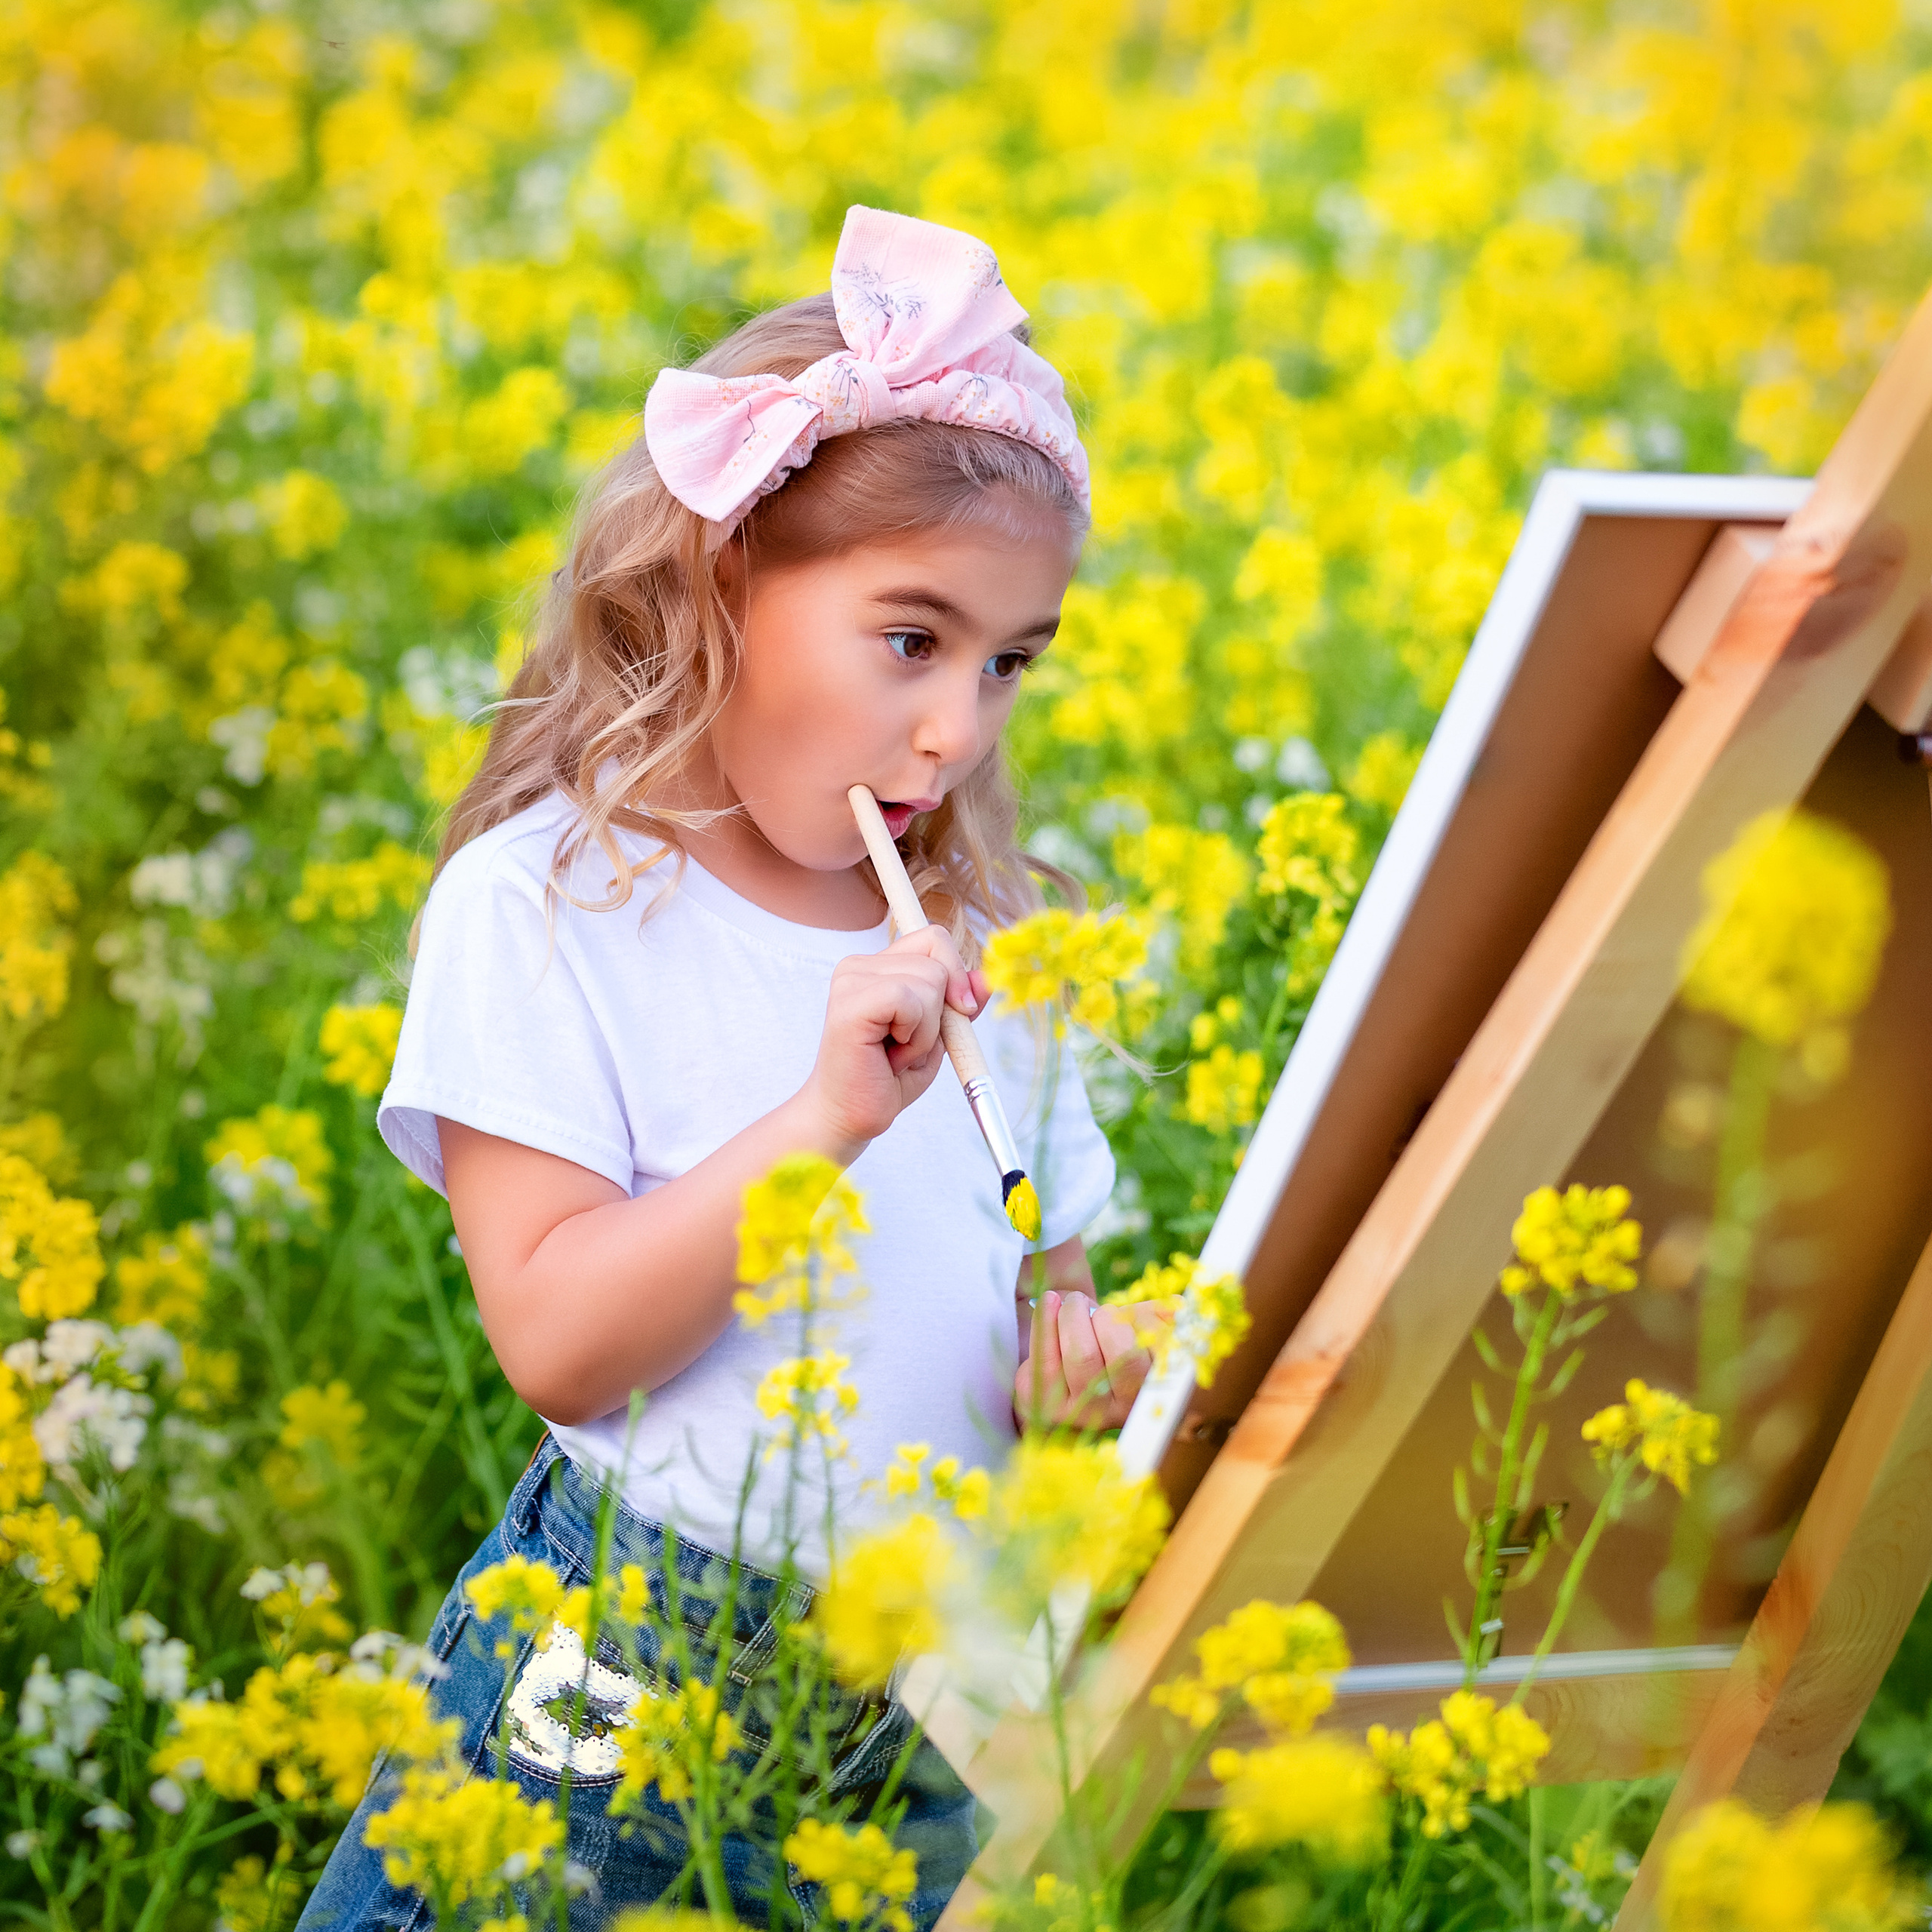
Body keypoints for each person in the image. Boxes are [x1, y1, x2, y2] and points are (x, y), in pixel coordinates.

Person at [299, 205, 1153, 1930]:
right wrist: (824, 1114)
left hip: (901, 1702)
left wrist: (1080, 1384)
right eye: (907, 641)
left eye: (1007, 665)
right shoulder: (549, 897)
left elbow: (1038, 1316)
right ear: (722, 577)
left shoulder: (994, 946)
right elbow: (556, 1339)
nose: (956, 728)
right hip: (614, 1676)